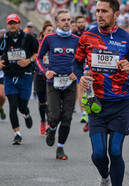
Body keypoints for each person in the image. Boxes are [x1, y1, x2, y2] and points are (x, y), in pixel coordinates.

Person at [73, 0, 129, 186]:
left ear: (116, 14)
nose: (99, 15)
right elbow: (76, 63)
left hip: (120, 104)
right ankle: (104, 176)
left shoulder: (127, 39)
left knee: (115, 151)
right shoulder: (87, 37)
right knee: (98, 154)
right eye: (97, 11)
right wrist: (80, 75)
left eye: (104, 11)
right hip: (96, 104)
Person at [36, 9, 79, 160]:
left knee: (67, 117)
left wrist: (77, 73)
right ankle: (52, 128)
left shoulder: (76, 40)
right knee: (54, 115)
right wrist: (45, 71)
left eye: (68, 19)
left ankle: (60, 149)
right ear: (57, 22)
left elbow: (84, 60)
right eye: (64, 20)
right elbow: (38, 58)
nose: (67, 22)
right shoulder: (49, 38)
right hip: (53, 81)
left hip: (70, 82)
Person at [0, 14, 39, 144]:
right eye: (10, 23)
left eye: (15, 23)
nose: (12, 25)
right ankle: (17, 133)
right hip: (9, 76)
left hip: (25, 76)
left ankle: (26, 114)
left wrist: (29, 60)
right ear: (7, 25)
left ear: (20, 24)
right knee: (13, 105)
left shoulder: (29, 38)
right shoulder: (3, 39)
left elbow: (38, 52)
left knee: (22, 106)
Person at [34, 23, 55, 134]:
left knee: (49, 102)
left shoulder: (55, 45)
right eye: (48, 30)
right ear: (43, 33)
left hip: (51, 78)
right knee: (42, 102)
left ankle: (48, 123)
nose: (50, 32)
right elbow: (36, 59)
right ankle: (43, 121)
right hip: (39, 76)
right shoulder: (38, 44)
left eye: (52, 30)